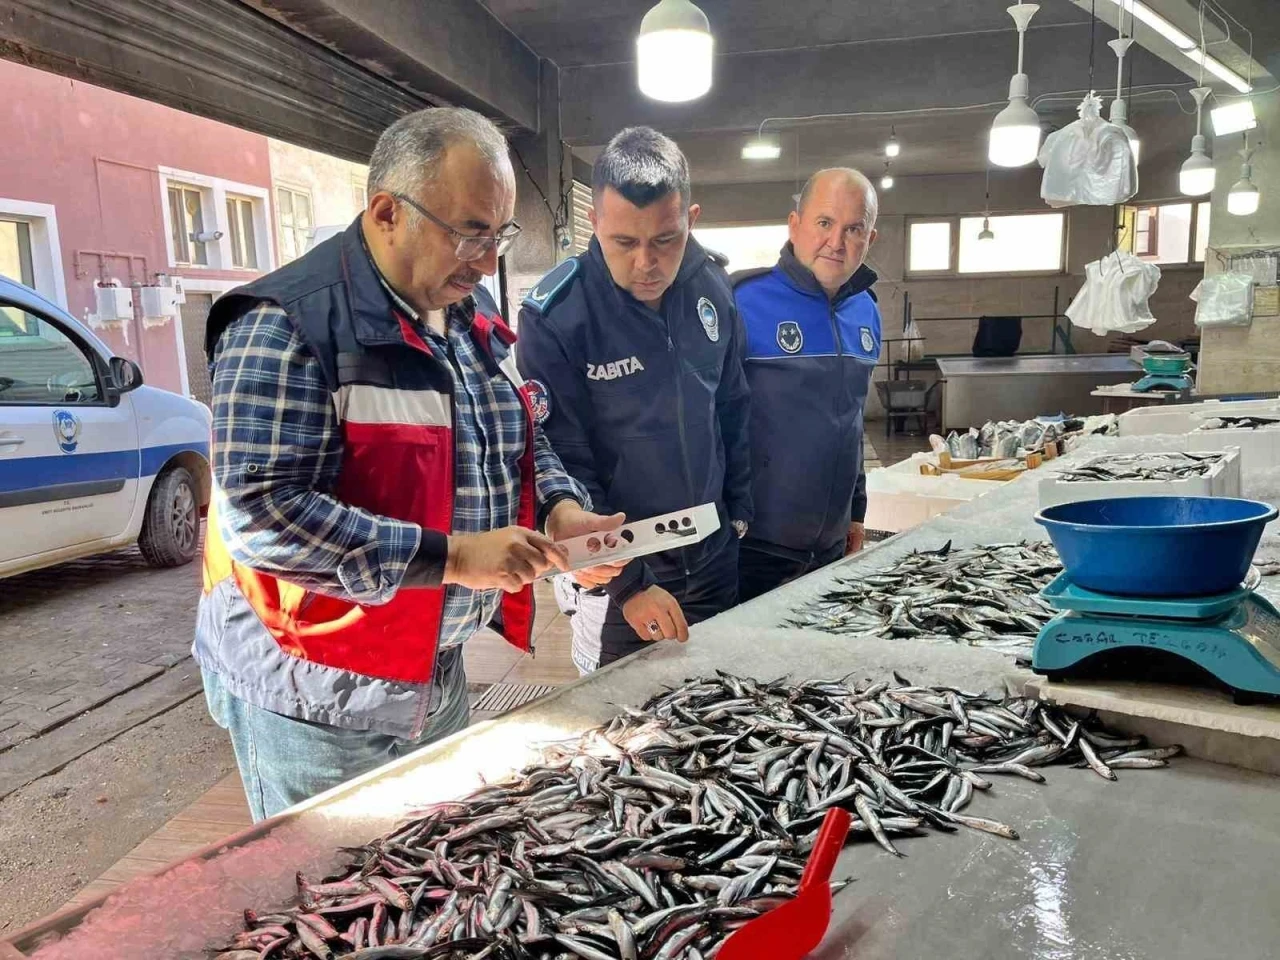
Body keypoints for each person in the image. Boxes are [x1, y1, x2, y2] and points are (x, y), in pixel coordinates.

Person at [194, 108, 623, 821]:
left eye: (499, 235)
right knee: (332, 884)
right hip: (314, 690)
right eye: (470, 233)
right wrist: (452, 557)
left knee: (432, 866)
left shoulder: (462, 308)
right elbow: (262, 517)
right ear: (388, 212)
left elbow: (516, 432)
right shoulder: (285, 325)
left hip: (431, 667)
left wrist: (560, 509)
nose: (486, 262)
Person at [516, 127, 752, 674]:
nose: (647, 262)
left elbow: (733, 407)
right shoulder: (558, 316)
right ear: (594, 221)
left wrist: (739, 516)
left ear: (691, 219)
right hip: (619, 580)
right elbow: (563, 462)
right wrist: (629, 584)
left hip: (714, 555)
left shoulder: (713, 287)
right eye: (624, 242)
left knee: (718, 699)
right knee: (619, 715)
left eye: (666, 240)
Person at [731, 168, 882, 602]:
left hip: (831, 545)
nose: (836, 242)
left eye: (853, 229)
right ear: (794, 225)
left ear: (869, 239)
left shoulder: (866, 311)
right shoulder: (740, 301)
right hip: (753, 548)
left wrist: (856, 511)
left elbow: (851, 422)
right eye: (824, 222)